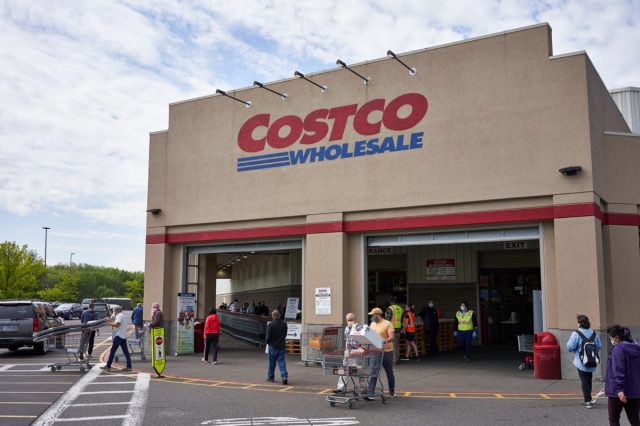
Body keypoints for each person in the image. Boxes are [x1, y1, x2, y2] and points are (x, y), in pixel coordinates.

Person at [605, 324, 640, 425]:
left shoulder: (618, 350)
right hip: (634, 391)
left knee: (614, 419)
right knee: (635, 420)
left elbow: (618, 370)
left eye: (611, 338)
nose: (611, 340)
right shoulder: (636, 349)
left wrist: (619, 389)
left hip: (617, 392)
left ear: (616, 337)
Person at [567, 314, 602, 408]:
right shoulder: (594, 334)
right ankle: (589, 398)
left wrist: (576, 350)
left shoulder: (576, 333)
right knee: (588, 379)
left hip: (581, 362)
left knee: (584, 381)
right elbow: (599, 346)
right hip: (592, 361)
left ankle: (587, 401)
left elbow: (569, 347)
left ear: (579, 323)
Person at [367, 307, 396, 399]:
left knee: (389, 372)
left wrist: (385, 341)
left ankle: (392, 392)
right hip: (375, 351)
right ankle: (371, 393)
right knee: (373, 371)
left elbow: (392, 337)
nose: (371, 317)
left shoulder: (388, 324)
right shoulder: (372, 324)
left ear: (378, 315)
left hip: (387, 351)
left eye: (372, 315)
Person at [101, 306, 132, 372]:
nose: (113, 312)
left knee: (112, 351)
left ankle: (108, 366)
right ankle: (129, 366)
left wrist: (108, 323)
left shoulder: (119, 316)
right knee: (126, 352)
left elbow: (117, 324)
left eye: (113, 311)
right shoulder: (122, 315)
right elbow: (115, 320)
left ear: (116, 311)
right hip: (123, 336)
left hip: (119, 336)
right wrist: (110, 319)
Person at [265, 310, 288, 385]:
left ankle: (271, 377)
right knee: (282, 362)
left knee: (272, 363)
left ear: (273, 316)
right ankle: (284, 376)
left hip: (272, 346)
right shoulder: (284, 324)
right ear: (279, 315)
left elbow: (268, 336)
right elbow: (285, 335)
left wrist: (267, 342)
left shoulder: (271, 324)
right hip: (281, 346)